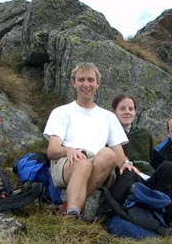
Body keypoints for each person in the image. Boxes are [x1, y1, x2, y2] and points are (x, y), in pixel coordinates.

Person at [43, 63, 139, 218]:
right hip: (67, 162)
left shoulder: (108, 117)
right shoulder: (61, 112)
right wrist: (68, 150)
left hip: (99, 165)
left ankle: (70, 208)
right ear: (73, 83)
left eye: (90, 80)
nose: (86, 85)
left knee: (108, 153)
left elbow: (119, 156)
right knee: (83, 163)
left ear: (97, 84)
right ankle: (73, 211)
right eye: (81, 80)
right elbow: (52, 150)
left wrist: (128, 164)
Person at [103, 94, 172, 220]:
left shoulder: (144, 134)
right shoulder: (107, 133)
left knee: (169, 167)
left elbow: (150, 159)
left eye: (131, 109)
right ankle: (106, 214)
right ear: (114, 112)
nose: (127, 112)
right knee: (128, 171)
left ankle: (164, 218)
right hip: (125, 177)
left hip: (147, 177)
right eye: (122, 109)